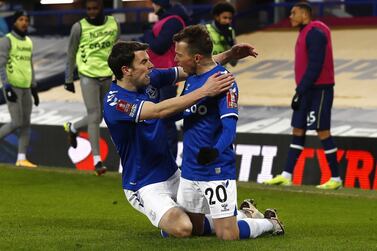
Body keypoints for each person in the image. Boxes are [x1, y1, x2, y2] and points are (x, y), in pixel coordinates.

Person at [104, 40, 269, 238]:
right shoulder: (116, 102)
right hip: (143, 183)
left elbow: (191, 66)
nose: (151, 65)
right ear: (126, 69)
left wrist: (229, 55)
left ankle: (245, 214)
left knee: (199, 224)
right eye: (144, 62)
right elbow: (158, 110)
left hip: (172, 173)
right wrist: (205, 91)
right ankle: (249, 218)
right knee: (183, 228)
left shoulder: (150, 79)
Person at [173, 25, 284, 240]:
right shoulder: (192, 79)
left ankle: (268, 223)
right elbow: (181, 112)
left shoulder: (224, 81)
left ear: (196, 57)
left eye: (179, 55)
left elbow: (229, 128)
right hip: (190, 166)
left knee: (228, 235)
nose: (176, 60)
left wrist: (215, 151)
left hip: (215, 167)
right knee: (194, 229)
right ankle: (243, 213)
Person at [263, 2, 342, 190]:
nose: (290, 16)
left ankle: (336, 179)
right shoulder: (306, 31)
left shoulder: (315, 32)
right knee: (297, 129)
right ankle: (286, 175)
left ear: (305, 14)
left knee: (323, 131)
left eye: (293, 12)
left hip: (319, 90)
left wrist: (300, 90)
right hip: (307, 90)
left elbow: (315, 65)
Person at [63, 0, 120, 176]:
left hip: (107, 75)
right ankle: (97, 161)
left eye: (95, 8)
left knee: (102, 114)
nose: (92, 12)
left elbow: (117, 49)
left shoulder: (113, 23)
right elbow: (71, 52)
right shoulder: (78, 27)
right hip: (87, 76)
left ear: (102, 7)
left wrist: (119, 74)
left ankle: (73, 127)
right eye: (88, 9)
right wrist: (68, 79)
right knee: (95, 116)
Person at [139, 0, 190, 160]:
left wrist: (147, 33)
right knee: (157, 118)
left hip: (165, 75)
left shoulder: (173, 20)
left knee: (165, 118)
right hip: (156, 74)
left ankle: (169, 159)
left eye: (154, 3)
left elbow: (159, 45)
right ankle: (160, 156)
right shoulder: (168, 19)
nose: (152, 6)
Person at [0, 10, 39, 168]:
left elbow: (29, 65)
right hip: (13, 86)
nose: (24, 22)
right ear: (15, 22)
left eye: (26, 20)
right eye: (21, 19)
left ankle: (21, 159)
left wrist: (34, 87)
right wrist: (6, 86)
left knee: (26, 123)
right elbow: (1, 64)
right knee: (17, 122)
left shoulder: (28, 41)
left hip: (26, 87)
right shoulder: (7, 40)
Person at [206, 1, 237, 67]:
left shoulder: (230, 31)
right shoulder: (205, 30)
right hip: (206, 72)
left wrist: (231, 46)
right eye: (225, 18)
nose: (228, 21)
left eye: (230, 18)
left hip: (221, 73)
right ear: (216, 17)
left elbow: (233, 63)